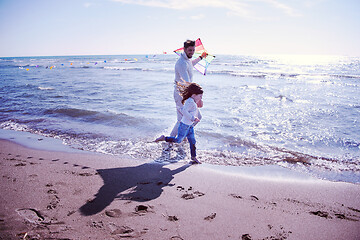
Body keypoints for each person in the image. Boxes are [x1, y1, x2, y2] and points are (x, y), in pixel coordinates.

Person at [155, 83, 203, 164]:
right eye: (200, 96)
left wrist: (194, 118)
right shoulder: (190, 102)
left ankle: (193, 157)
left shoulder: (193, 101)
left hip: (190, 126)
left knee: (192, 141)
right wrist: (192, 118)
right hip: (184, 125)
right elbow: (184, 111)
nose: (201, 98)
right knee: (178, 140)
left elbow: (188, 110)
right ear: (194, 95)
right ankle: (164, 138)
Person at [170, 39, 207, 137]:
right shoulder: (181, 63)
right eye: (190, 50)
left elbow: (191, 64)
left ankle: (183, 135)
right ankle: (170, 140)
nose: (192, 52)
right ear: (185, 49)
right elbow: (188, 83)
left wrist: (201, 57)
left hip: (188, 94)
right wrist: (198, 96)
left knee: (198, 117)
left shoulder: (187, 60)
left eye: (193, 50)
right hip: (180, 95)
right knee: (180, 120)